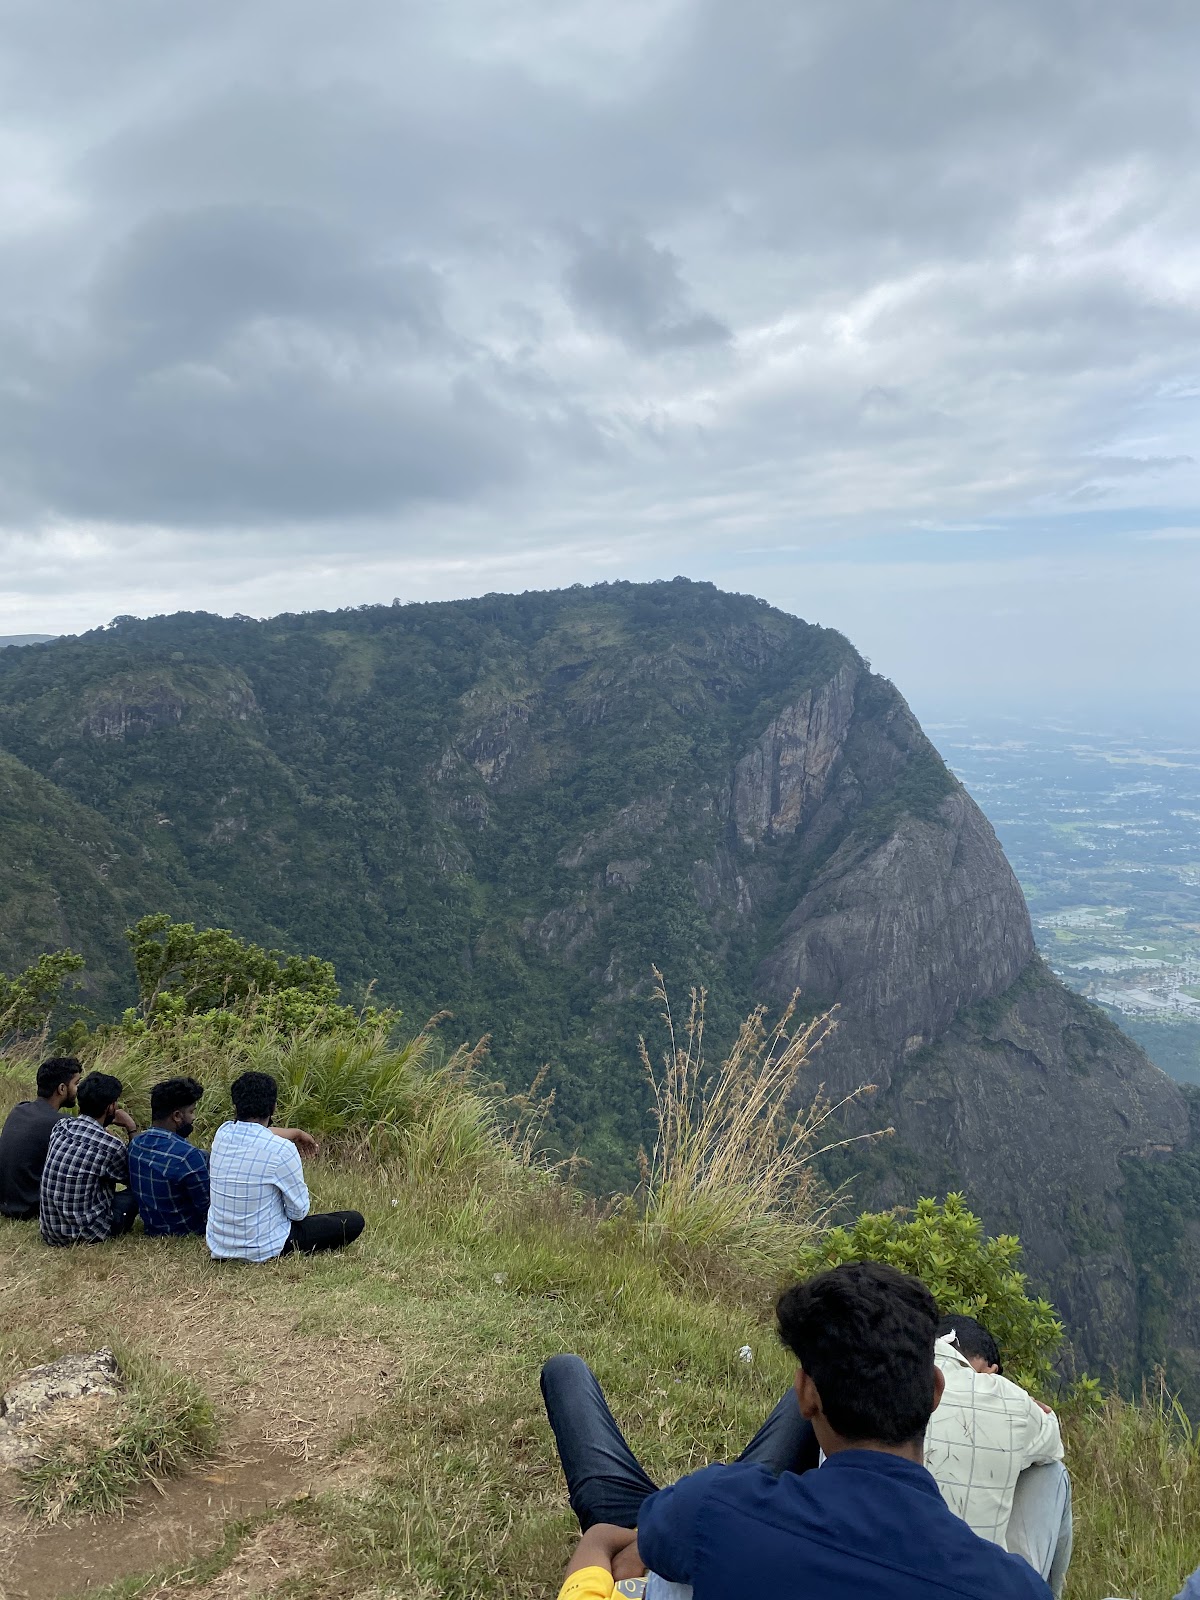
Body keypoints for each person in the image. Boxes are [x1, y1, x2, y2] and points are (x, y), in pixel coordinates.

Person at [544, 1262, 1051, 1600]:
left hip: (703, 1519)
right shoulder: (1016, 1590)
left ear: (806, 1395)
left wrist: (623, 1537)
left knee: (564, 1376)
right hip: (715, 1516)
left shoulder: (716, 1506)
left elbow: (634, 1549)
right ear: (936, 1392)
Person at [926, 1314, 1071, 1596]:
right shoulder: (1005, 1397)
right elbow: (1053, 1441)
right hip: (975, 1584)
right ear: (990, 1370)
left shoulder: (890, 1376)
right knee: (1052, 1472)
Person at [129, 1075, 321, 1238]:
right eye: (192, 1112)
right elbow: (210, 1207)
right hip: (186, 1229)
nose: (194, 1117)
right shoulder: (188, 1157)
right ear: (177, 1116)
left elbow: (250, 1132)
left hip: (152, 1226)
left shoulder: (135, 1144)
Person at [206, 1070, 365, 1262]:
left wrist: (294, 1133)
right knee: (353, 1221)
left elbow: (254, 1132)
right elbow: (298, 1212)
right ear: (273, 1107)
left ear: (235, 1105)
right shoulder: (282, 1150)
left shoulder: (222, 1134)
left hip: (219, 1244)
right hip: (264, 1247)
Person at [39, 1070, 139, 1245]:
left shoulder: (62, 1126)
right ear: (110, 1108)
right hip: (86, 1234)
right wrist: (131, 1127)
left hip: (50, 1230)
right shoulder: (110, 1146)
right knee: (136, 1191)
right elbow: (136, 1176)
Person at [0, 1057, 82, 1220]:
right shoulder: (61, 1123)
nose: (78, 1089)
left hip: (5, 1202)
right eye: (76, 1083)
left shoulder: (19, 1109)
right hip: (31, 1207)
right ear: (61, 1088)